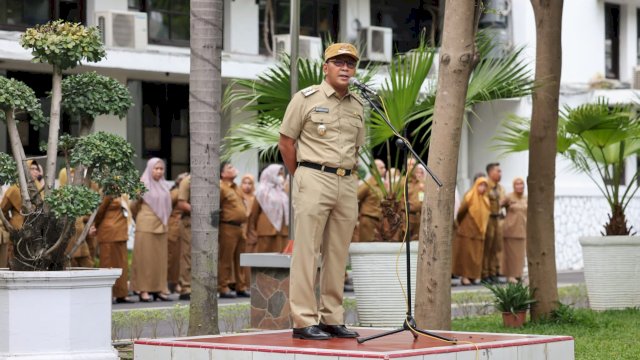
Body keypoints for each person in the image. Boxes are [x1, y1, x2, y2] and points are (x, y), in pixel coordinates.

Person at [279, 42, 364, 340]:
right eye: (338, 62)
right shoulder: (305, 99)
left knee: (338, 254)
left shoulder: (358, 105)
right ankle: (303, 320)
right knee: (306, 251)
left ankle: (331, 317)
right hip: (314, 176)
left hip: (347, 181)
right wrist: (301, 175)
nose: (345, 68)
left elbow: (356, 147)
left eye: (350, 64)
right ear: (325, 67)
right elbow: (286, 142)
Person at [130, 158, 172, 302]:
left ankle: (159, 289)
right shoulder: (142, 184)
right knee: (144, 260)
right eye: (156, 168)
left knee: (160, 260)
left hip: (162, 226)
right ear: (150, 169)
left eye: (161, 169)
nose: (159, 171)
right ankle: (143, 290)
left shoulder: (165, 185)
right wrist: (142, 218)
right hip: (146, 226)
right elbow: (133, 205)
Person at [94, 194, 135, 303]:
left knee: (121, 264)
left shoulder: (122, 193)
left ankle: (121, 294)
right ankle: (108, 294)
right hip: (109, 232)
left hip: (120, 232)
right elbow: (99, 211)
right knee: (108, 264)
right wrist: (95, 225)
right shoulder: (108, 192)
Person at [218, 161, 249, 298]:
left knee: (240, 258)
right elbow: (216, 207)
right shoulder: (221, 187)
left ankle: (240, 286)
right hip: (227, 227)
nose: (234, 168)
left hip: (240, 227)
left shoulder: (236, 187)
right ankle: (223, 287)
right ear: (223, 174)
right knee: (226, 258)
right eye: (230, 167)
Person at [452, 177, 490, 285]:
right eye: (480, 185)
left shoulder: (486, 200)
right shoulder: (470, 197)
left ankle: (473, 276)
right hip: (467, 231)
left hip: (479, 232)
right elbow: (461, 212)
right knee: (466, 255)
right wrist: (460, 224)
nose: (482, 188)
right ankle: (464, 277)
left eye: (485, 186)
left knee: (476, 256)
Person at [247, 164, 289, 253]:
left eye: (282, 174)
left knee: (282, 260)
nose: (281, 177)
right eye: (278, 174)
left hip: (283, 232)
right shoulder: (261, 191)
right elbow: (254, 214)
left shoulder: (283, 191)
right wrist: (252, 232)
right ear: (270, 174)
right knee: (265, 261)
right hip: (266, 232)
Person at [482, 162, 506, 283]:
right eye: (498, 171)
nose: (500, 173)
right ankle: (485, 273)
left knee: (496, 247)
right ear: (490, 172)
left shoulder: (500, 187)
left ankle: (493, 272)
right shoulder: (485, 185)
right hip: (488, 219)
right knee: (487, 246)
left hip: (498, 219)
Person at [501, 177, 527, 283]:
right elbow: (497, 206)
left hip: (522, 230)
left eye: (521, 184)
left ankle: (519, 274)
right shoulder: (509, 197)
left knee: (520, 255)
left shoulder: (525, 198)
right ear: (513, 186)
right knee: (511, 254)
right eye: (517, 184)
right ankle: (510, 275)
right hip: (511, 230)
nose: (519, 186)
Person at [167, 173, 188, 294]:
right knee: (172, 257)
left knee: (180, 257)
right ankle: (171, 283)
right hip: (173, 226)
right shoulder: (175, 193)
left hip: (180, 227)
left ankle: (177, 282)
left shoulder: (182, 194)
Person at [356, 159, 386, 242]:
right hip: (368, 220)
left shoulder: (382, 184)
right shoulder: (367, 184)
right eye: (381, 168)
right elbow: (355, 198)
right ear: (373, 170)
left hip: (380, 220)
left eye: (384, 167)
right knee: (367, 245)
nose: (384, 170)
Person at [176, 174, 192, 300]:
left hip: (206, 225)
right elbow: (182, 203)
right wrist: (200, 210)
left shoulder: (210, 180)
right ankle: (186, 287)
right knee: (187, 255)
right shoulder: (187, 181)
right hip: (189, 222)